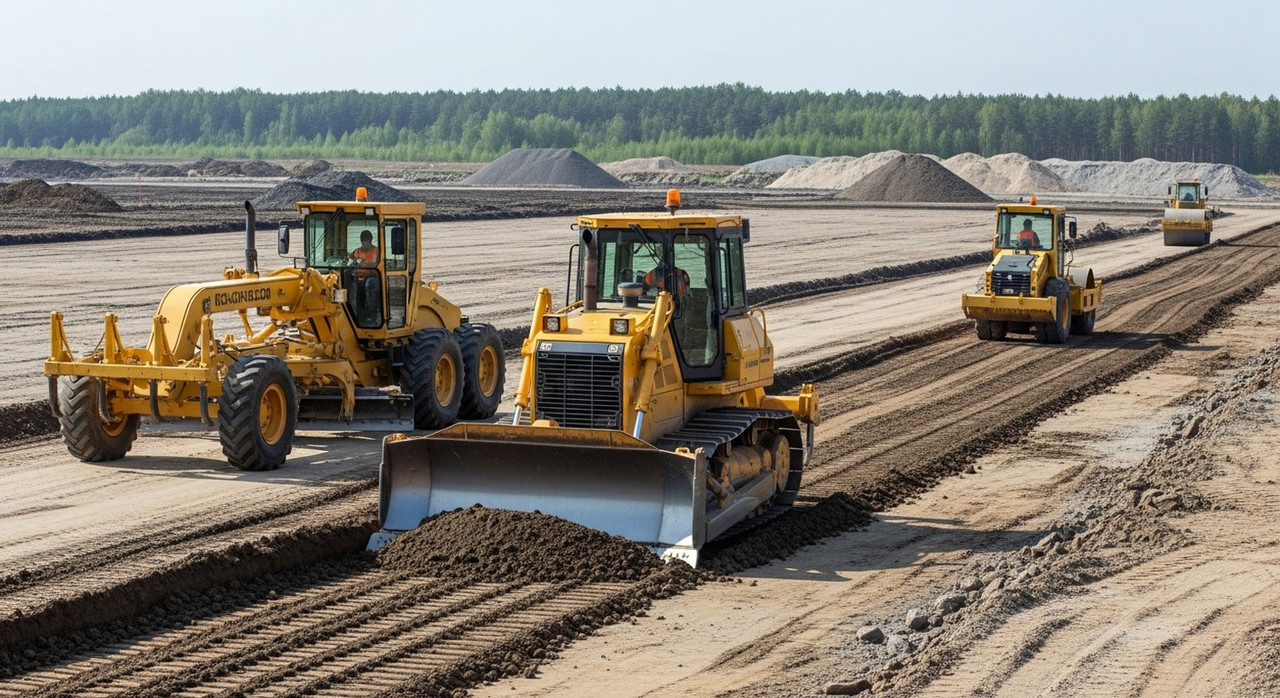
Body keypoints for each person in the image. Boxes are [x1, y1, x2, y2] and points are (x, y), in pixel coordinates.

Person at [350, 230, 381, 324]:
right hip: (358, 277)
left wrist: (366, 263)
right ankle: (354, 314)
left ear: (371, 240)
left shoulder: (376, 251)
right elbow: (349, 260)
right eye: (363, 241)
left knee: (370, 284)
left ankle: (372, 315)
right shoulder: (357, 251)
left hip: (373, 276)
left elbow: (377, 264)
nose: (364, 243)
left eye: (366, 240)